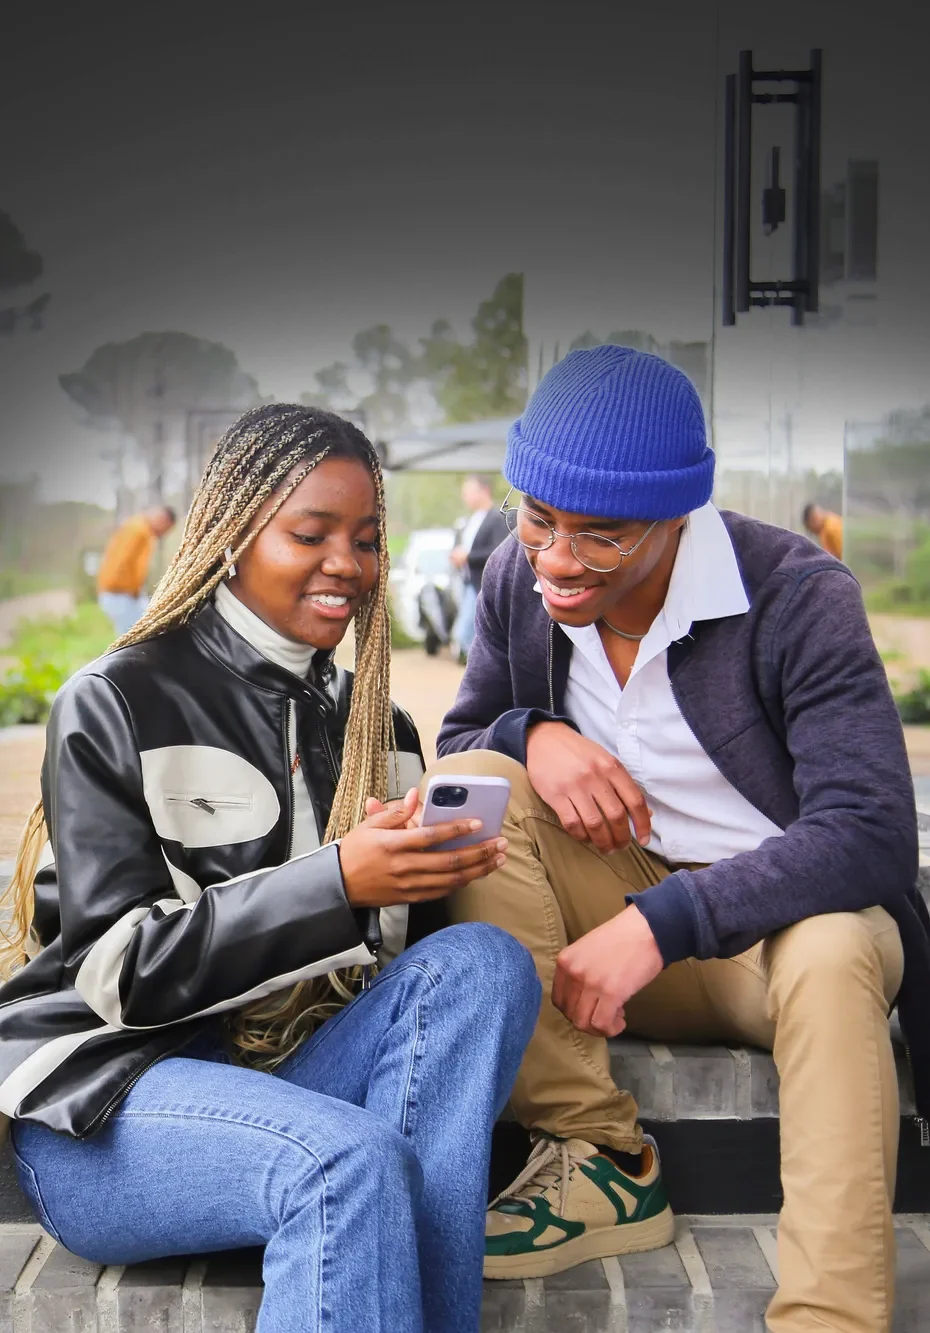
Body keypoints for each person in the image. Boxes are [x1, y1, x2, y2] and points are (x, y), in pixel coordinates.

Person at [0, 404, 540, 1333]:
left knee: (486, 963)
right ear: (232, 533)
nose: (349, 563)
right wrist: (338, 883)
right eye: (311, 532)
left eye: (367, 540)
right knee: (344, 1156)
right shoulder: (118, 698)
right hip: (115, 1101)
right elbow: (119, 972)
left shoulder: (384, 734)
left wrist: (425, 872)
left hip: (288, 1078)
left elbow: (418, 1007)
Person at [432, 346, 927, 1333]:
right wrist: (538, 736)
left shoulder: (796, 593)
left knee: (832, 949)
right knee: (478, 792)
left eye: (602, 536)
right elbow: (458, 741)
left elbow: (871, 831)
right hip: (604, 926)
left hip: (773, 940)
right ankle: (602, 1159)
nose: (559, 560)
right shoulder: (514, 576)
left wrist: (670, 917)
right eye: (540, 521)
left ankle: (830, 1316)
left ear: (677, 517)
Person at [450, 475, 509, 661]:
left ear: (484, 491)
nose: (465, 497)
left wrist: (468, 556)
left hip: (484, 583)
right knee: (468, 632)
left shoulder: (497, 518)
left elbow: (499, 550)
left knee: (466, 633)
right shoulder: (468, 521)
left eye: (469, 492)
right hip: (467, 582)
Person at [96, 504, 177, 635]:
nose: (163, 534)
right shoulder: (140, 531)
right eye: (165, 529)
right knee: (137, 636)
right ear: (162, 520)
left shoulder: (137, 527)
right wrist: (132, 591)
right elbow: (123, 562)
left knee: (148, 625)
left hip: (122, 593)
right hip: (119, 593)